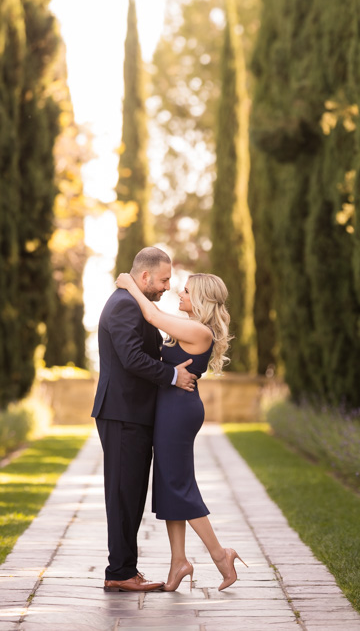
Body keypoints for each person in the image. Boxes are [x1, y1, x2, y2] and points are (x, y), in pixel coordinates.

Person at [113, 268, 245, 590]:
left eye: (186, 291)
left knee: (178, 485)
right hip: (171, 408)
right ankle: (179, 562)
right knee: (169, 484)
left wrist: (130, 282)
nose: (180, 294)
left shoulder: (200, 332)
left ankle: (220, 555)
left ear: (200, 298)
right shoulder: (189, 328)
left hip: (179, 411)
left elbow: (152, 314)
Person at [91, 246, 195, 592]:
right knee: (123, 494)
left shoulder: (136, 304)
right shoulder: (124, 305)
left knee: (131, 494)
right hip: (122, 414)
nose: (167, 286)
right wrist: (171, 376)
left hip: (133, 414)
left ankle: (125, 569)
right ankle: (119, 572)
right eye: (164, 279)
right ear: (146, 276)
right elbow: (132, 357)